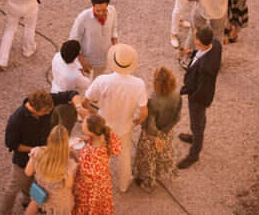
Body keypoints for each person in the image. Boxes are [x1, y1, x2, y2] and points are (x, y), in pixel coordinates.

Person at [2, 89, 81, 214]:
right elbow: (11, 144)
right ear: (35, 109)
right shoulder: (16, 119)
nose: (49, 112)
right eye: (46, 112)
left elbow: (71, 94)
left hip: (42, 156)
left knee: (33, 181)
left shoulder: (47, 100)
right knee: (13, 188)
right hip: (23, 160)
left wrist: (79, 107)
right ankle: (5, 212)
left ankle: (27, 201)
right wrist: (36, 150)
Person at [82, 44, 147, 193]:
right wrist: (136, 122)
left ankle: (97, 184)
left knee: (101, 154)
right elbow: (144, 113)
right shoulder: (139, 84)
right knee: (124, 155)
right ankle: (124, 185)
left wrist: (94, 113)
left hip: (103, 125)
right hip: (124, 126)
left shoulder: (102, 80)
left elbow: (85, 102)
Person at [177, 27, 222, 169]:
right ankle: (196, 137)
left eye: (195, 37)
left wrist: (183, 93)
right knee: (199, 120)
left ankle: (194, 154)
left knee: (197, 123)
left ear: (198, 41)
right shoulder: (215, 45)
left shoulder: (205, 67)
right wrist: (193, 53)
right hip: (205, 93)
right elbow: (204, 52)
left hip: (198, 98)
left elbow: (196, 86)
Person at [133, 67, 181, 192]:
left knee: (148, 159)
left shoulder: (153, 100)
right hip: (167, 132)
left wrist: (155, 134)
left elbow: (150, 123)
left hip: (152, 135)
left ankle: (148, 183)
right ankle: (157, 173)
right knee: (160, 156)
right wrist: (165, 130)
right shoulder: (177, 96)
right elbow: (177, 118)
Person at [71, 114, 121, 215]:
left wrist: (74, 154)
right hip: (102, 181)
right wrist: (87, 139)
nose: (81, 124)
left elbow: (86, 178)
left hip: (89, 188)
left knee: (88, 206)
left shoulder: (89, 154)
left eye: (84, 125)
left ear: (91, 132)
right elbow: (117, 149)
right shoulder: (108, 136)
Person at [25, 126, 76, 215]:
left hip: (41, 190)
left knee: (34, 203)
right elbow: (68, 185)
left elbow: (28, 172)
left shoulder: (37, 152)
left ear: (49, 138)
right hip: (59, 199)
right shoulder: (67, 164)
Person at [69, 0, 119, 78]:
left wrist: (116, 47)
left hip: (105, 60)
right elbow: (73, 39)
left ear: (107, 5)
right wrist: (82, 61)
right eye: (98, 10)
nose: (101, 13)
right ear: (93, 6)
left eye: (104, 10)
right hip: (88, 62)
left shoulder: (112, 11)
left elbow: (114, 28)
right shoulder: (83, 17)